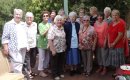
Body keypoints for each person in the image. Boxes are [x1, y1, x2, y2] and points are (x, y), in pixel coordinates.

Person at [1, 9, 28, 73]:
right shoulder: (8, 24)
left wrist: (27, 46)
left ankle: (17, 76)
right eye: (17, 14)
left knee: (20, 63)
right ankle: (19, 77)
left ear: (22, 16)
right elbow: (5, 37)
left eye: (20, 14)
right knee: (18, 64)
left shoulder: (23, 24)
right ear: (14, 15)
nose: (18, 16)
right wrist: (5, 47)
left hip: (23, 47)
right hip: (14, 48)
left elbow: (26, 35)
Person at [107, 9, 125, 75]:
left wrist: (114, 43)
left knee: (118, 60)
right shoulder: (111, 24)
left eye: (116, 15)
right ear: (111, 16)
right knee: (115, 60)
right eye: (113, 15)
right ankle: (117, 72)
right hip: (111, 44)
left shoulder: (121, 24)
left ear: (118, 16)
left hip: (118, 45)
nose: (114, 17)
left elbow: (120, 35)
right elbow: (108, 34)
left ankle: (119, 73)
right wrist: (109, 43)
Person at [48, 15, 66, 80]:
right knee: (54, 63)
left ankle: (60, 72)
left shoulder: (62, 28)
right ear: (55, 21)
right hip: (55, 49)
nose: (59, 21)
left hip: (62, 48)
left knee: (60, 62)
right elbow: (50, 39)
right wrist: (52, 50)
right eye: (58, 20)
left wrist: (64, 47)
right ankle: (54, 75)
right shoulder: (52, 28)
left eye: (60, 20)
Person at [64, 11, 80, 76]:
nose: (73, 18)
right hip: (69, 43)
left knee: (76, 56)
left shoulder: (77, 24)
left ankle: (75, 69)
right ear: (69, 18)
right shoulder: (66, 25)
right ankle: (71, 69)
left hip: (76, 43)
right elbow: (65, 35)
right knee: (70, 57)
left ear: (76, 17)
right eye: (71, 17)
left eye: (74, 17)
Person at [37, 11, 51, 77]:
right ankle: (40, 71)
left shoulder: (50, 24)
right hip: (41, 44)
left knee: (47, 57)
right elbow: (42, 34)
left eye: (47, 16)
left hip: (48, 44)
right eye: (44, 16)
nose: (45, 17)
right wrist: (48, 29)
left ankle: (45, 69)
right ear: (42, 17)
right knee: (41, 58)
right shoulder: (40, 24)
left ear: (48, 17)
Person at [24, 12, 37, 78]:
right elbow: (23, 36)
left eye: (31, 17)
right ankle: (28, 73)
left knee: (33, 59)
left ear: (33, 18)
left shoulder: (35, 24)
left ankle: (30, 71)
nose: (29, 18)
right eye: (28, 17)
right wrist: (26, 45)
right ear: (25, 18)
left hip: (34, 45)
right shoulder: (23, 25)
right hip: (27, 46)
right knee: (27, 60)